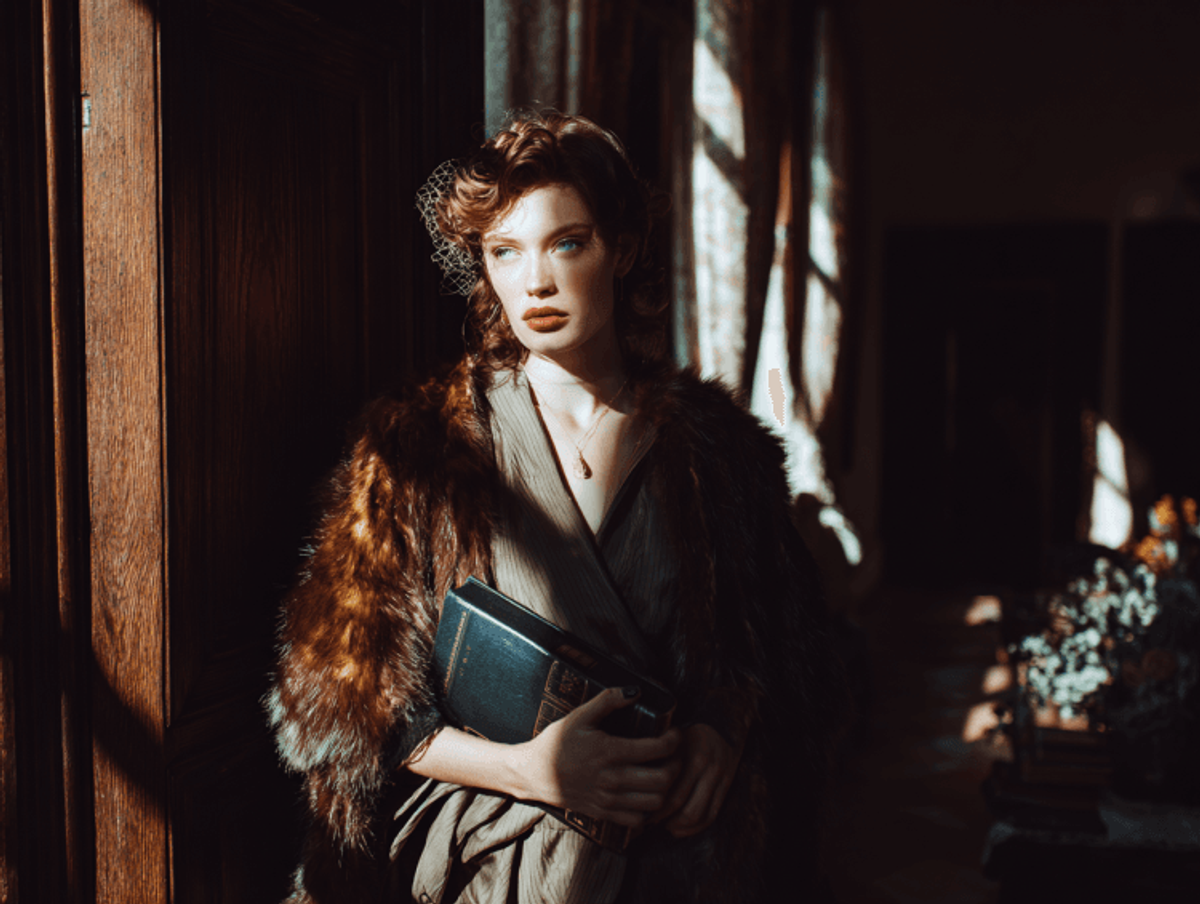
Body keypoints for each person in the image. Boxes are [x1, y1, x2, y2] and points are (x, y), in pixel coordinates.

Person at [266, 110, 844, 904]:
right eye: (504, 252)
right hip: (495, 854)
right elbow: (346, 702)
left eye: (565, 243)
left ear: (624, 249)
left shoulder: (721, 454)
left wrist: (721, 733)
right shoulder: (417, 450)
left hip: (679, 859)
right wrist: (530, 770)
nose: (533, 281)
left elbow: (766, 657)